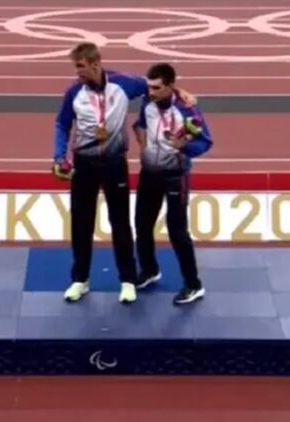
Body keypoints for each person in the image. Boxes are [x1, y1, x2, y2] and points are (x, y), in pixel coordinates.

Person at [52, 42, 195, 304]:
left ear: (95, 64)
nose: (77, 72)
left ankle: (127, 280)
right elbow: (62, 124)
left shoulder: (123, 84)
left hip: (114, 163)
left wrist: (179, 92)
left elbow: (156, 86)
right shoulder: (74, 92)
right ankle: (80, 280)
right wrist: (59, 156)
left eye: (81, 66)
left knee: (120, 223)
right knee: (81, 222)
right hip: (84, 164)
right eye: (76, 67)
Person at [132, 62, 213, 305]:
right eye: (149, 87)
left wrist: (184, 147)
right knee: (142, 223)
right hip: (150, 172)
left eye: (157, 88)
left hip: (176, 175)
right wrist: (143, 146)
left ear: (170, 86)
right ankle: (149, 270)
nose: (151, 92)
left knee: (177, 231)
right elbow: (140, 124)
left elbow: (205, 142)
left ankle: (193, 284)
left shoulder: (188, 110)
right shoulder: (147, 103)